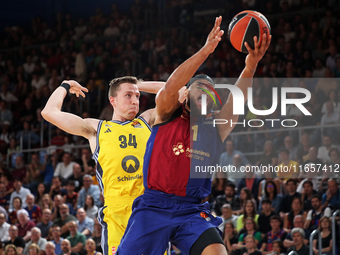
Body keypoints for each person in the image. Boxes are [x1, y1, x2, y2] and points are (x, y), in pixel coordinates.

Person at [118, 16, 270, 255]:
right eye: (198, 89)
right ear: (185, 95)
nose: (204, 94)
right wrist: (206, 51)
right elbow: (171, 85)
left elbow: (237, 103)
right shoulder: (166, 112)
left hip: (191, 211)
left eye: (209, 91)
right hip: (154, 206)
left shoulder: (216, 127)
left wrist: (250, 66)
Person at [42, 70, 165, 254]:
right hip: (116, 212)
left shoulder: (148, 120)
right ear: (113, 100)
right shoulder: (96, 128)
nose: (135, 100)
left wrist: (136, 85)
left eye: (138, 96)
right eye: (128, 95)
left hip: (150, 207)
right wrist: (65, 85)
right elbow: (49, 112)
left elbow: (175, 92)